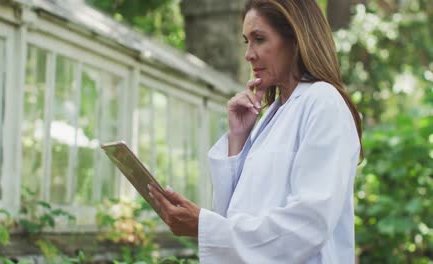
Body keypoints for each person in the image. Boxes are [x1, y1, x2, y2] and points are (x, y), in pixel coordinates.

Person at [148, 0, 363, 263]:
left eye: (259, 39)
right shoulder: (270, 116)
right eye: (246, 41)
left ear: (296, 40)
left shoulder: (323, 103)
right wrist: (238, 138)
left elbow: (309, 224)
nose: (249, 54)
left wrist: (202, 226)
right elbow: (236, 214)